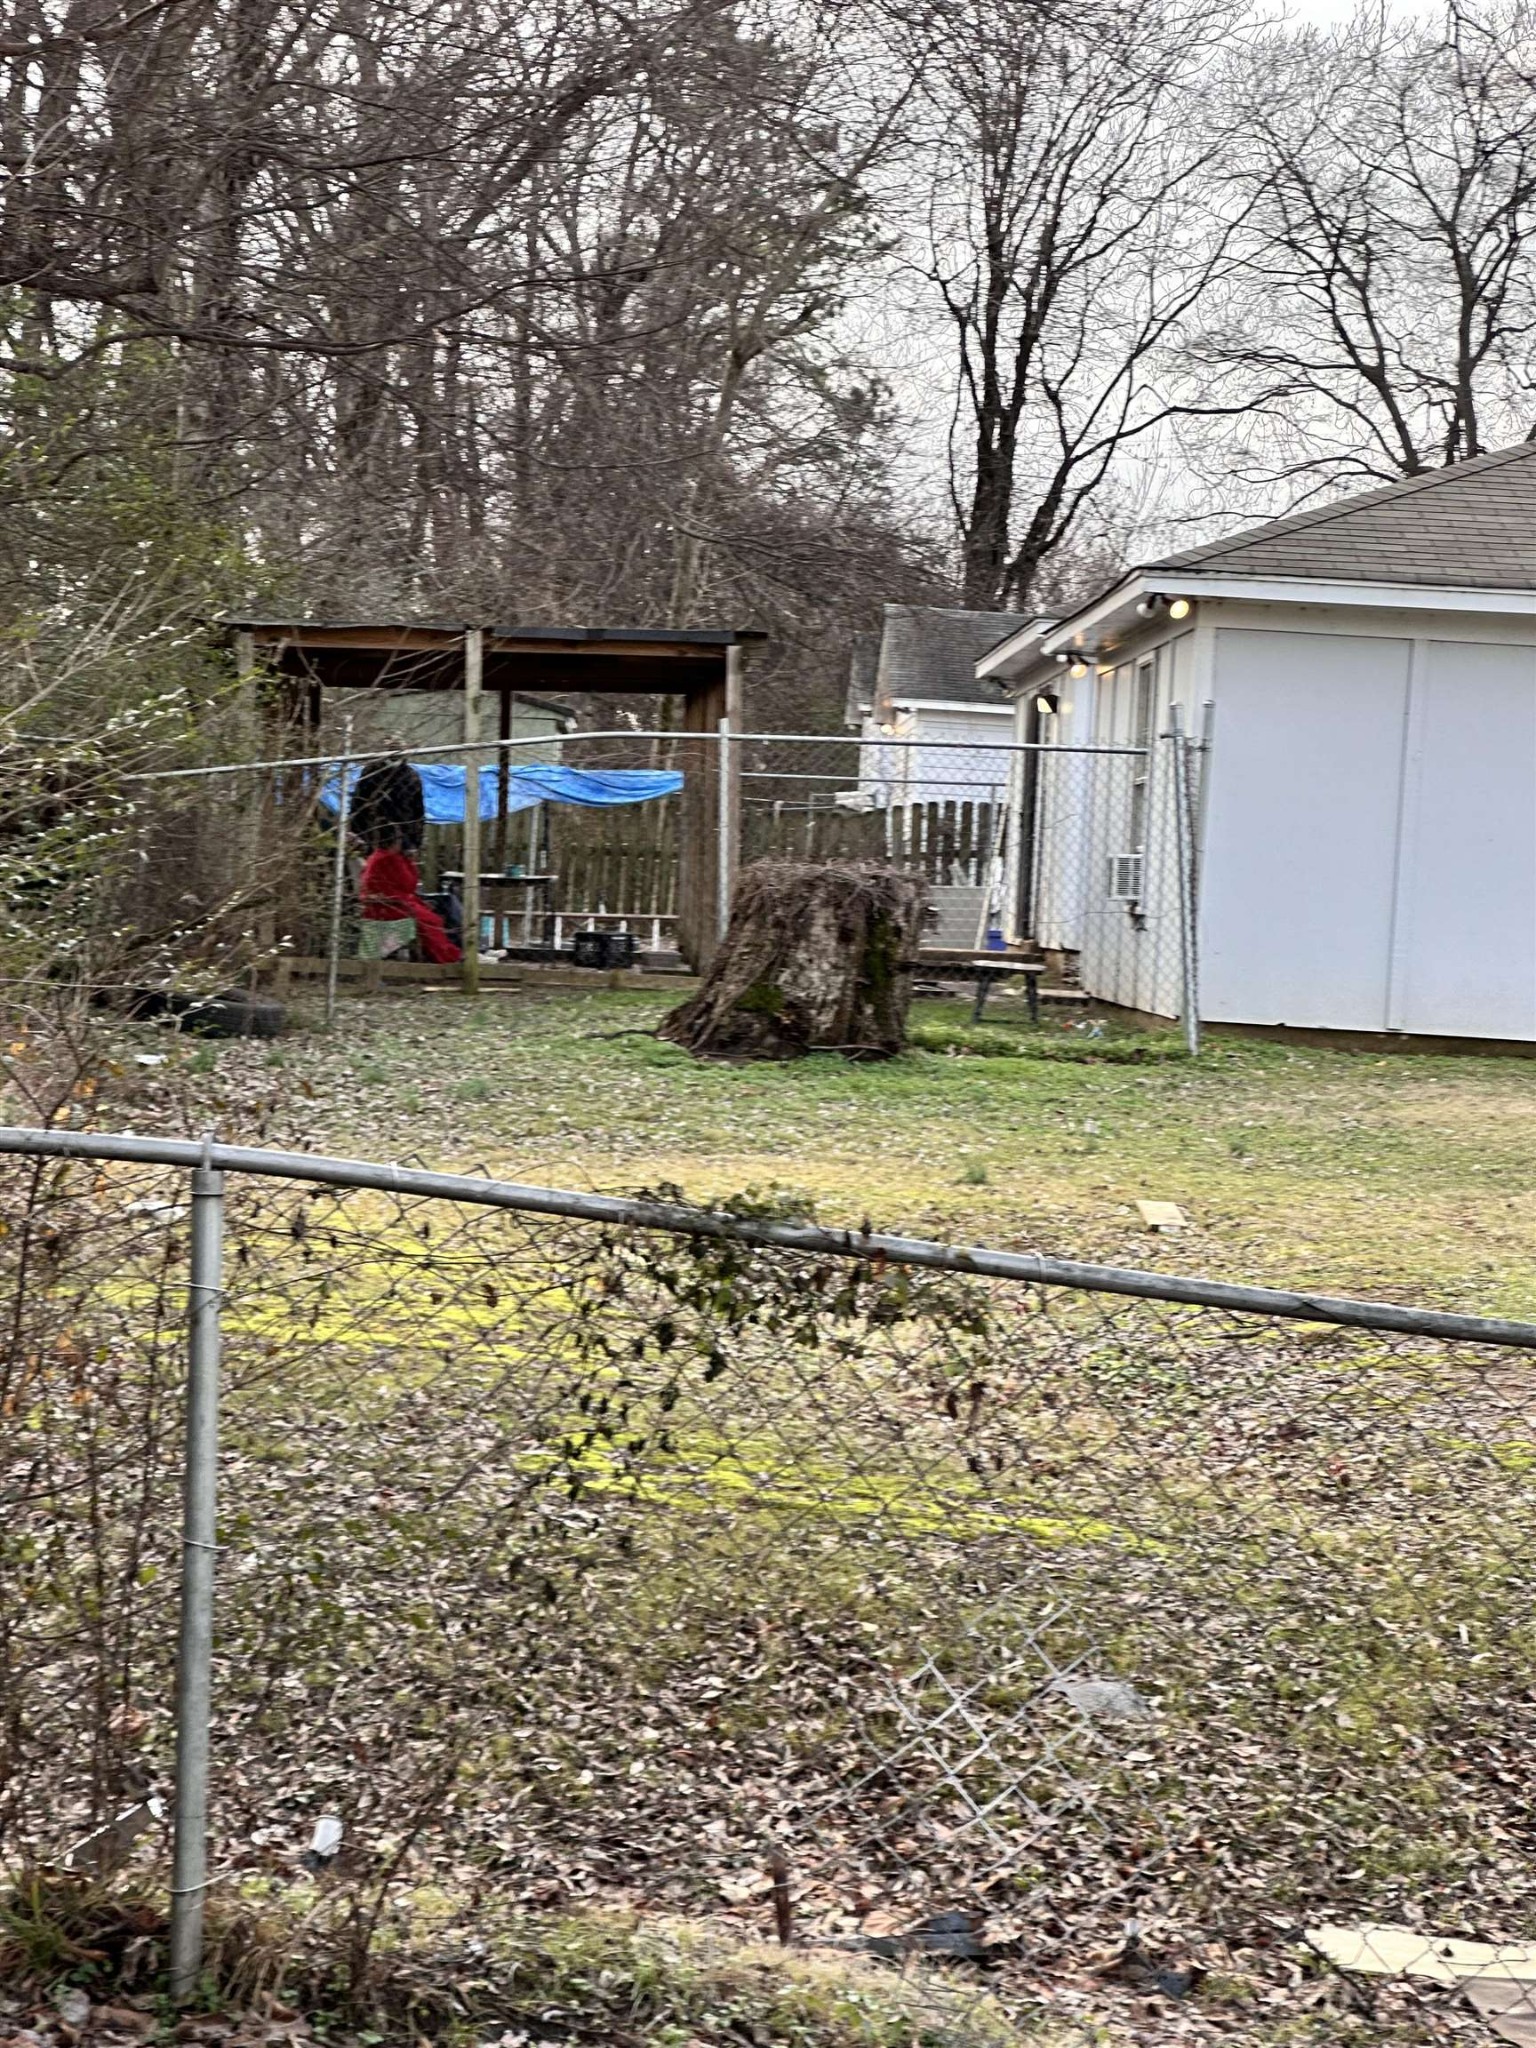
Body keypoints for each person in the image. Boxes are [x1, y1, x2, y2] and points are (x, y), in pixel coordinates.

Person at [357, 828, 461, 964]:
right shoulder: (388, 859)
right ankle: (446, 955)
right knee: (431, 920)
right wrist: (409, 862)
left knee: (436, 911)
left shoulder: (378, 857)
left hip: (391, 903)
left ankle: (447, 951)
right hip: (390, 907)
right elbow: (409, 884)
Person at [351, 739, 425, 854]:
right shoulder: (371, 771)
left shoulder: (411, 776)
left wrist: (414, 842)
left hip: (402, 835)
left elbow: (418, 812)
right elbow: (358, 803)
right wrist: (357, 833)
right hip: (373, 831)